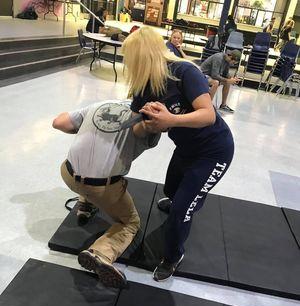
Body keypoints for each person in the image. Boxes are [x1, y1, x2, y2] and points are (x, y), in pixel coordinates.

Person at [122, 27, 234, 282]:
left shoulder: (184, 72)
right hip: (186, 149)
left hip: (215, 150)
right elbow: (136, 130)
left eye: (131, 59)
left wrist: (171, 119)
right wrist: (148, 124)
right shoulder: (144, 88)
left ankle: (173, 257)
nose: (129, 65)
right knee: (171, 192)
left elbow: (207, 115)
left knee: (180, 210)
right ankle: (189, 196)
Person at [52, 100, 160, 288]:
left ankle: (85, 205)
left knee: (89, 171)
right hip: (101, 189)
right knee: (130, 222)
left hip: (67, 174)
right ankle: (101, 253)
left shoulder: (102, 104)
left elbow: (58, 122)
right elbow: (142, 132)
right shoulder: (150, 120)